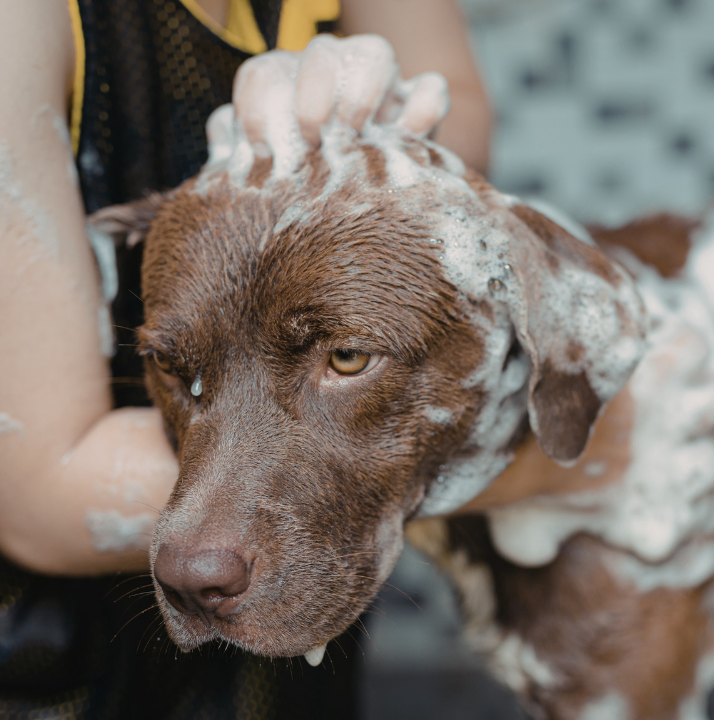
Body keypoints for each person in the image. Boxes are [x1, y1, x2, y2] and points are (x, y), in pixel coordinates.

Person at [0, 0, 489, 716]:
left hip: (291, 646)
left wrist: (387, 142)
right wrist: (554, 461)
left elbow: (459, 103)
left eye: (345, 356)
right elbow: (40, 495)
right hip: (49, 660)